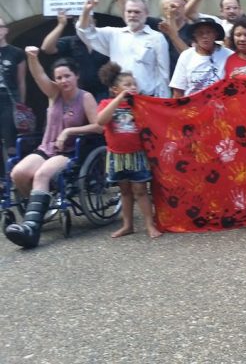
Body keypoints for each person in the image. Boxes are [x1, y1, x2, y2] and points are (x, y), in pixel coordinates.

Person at [5, 51, 101, 249]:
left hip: (70, 152)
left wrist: (69, 131)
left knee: (41, 175)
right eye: (59, 77)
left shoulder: (85, 97)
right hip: (46, 147)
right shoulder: (54, 93)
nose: (63, 81)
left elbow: (98, 126)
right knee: (18, 173)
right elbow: (38, 75)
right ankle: (41, 206)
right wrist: (32, 58)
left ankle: (31, 229)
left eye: (67, 76)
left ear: (76, 76)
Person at [95, 62, 161, 239]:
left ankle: (149, 224)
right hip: (117, 155)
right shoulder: (106, 103)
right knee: (124, 191)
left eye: (134, 84)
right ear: (115, 89)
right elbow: (101, 121)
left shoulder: (139, 105)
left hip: (137, 154)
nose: (132, 87)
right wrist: (118, 100)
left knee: (140, 189)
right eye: (127, 85)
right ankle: (127, 225)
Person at [77, 0, 170, 98]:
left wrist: (163, 101)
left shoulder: (157, 38)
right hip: (119, 98)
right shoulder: (113, 34)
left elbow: (163, 74)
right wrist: (86, 12)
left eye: (137, 12)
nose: (132, 15)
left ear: (146, 14)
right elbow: (86, 33)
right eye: (129, 11)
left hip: (147, 99)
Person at [40, 10, 109, 100]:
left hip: (102, 94)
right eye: (82, 21)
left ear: (95, 22)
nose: (86, 24)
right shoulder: (69, 42)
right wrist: (61, 25)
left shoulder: (104, 41)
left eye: (88, 20)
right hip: (76, 95)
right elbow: (46, 48)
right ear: (76, 24)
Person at [169, 18, 232, 97]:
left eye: (208, 32)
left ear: (216, 34)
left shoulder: (229, 55)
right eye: (200, 33)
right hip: (192, 106)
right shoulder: (186, 56)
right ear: (194, 36)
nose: (205, 36)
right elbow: (178, 89)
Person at [0, 15, 26, 157]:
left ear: (5, 30)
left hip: (9, 100)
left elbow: (21, 81)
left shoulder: (16, 53)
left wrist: (21, 105)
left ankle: (12, 173)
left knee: (10, 139)